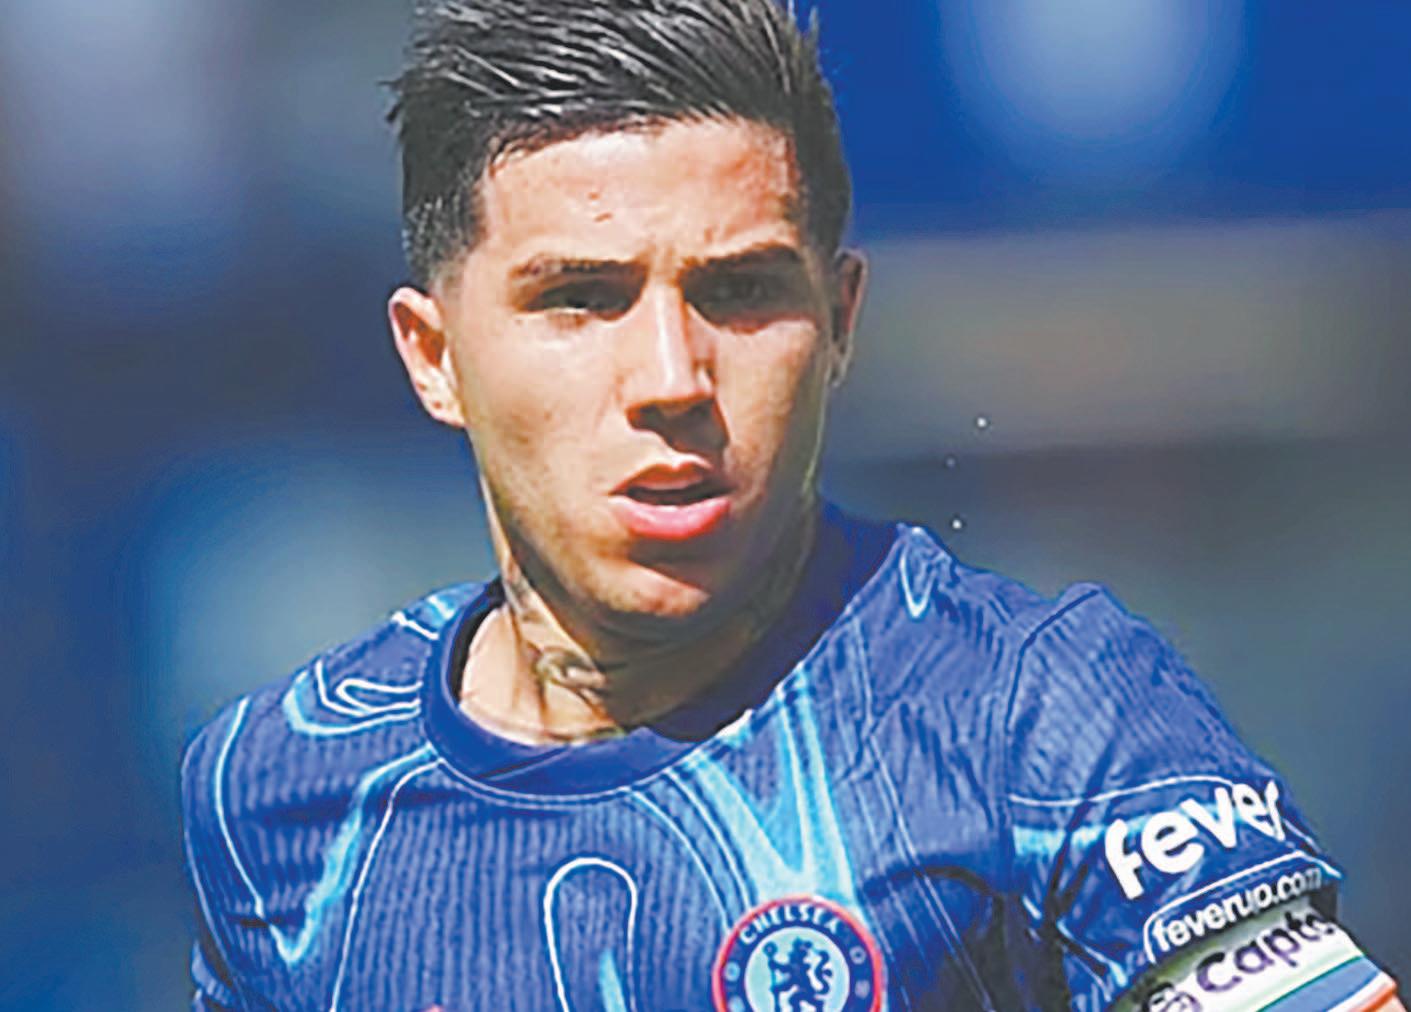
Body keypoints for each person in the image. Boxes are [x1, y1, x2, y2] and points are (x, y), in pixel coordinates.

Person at [179, 1, 1402, 1009]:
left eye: (739, 292)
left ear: (841, 322)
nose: (671, 378)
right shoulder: (277, 789)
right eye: (582, 299)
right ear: (434, 355)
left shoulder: (1045, 721)